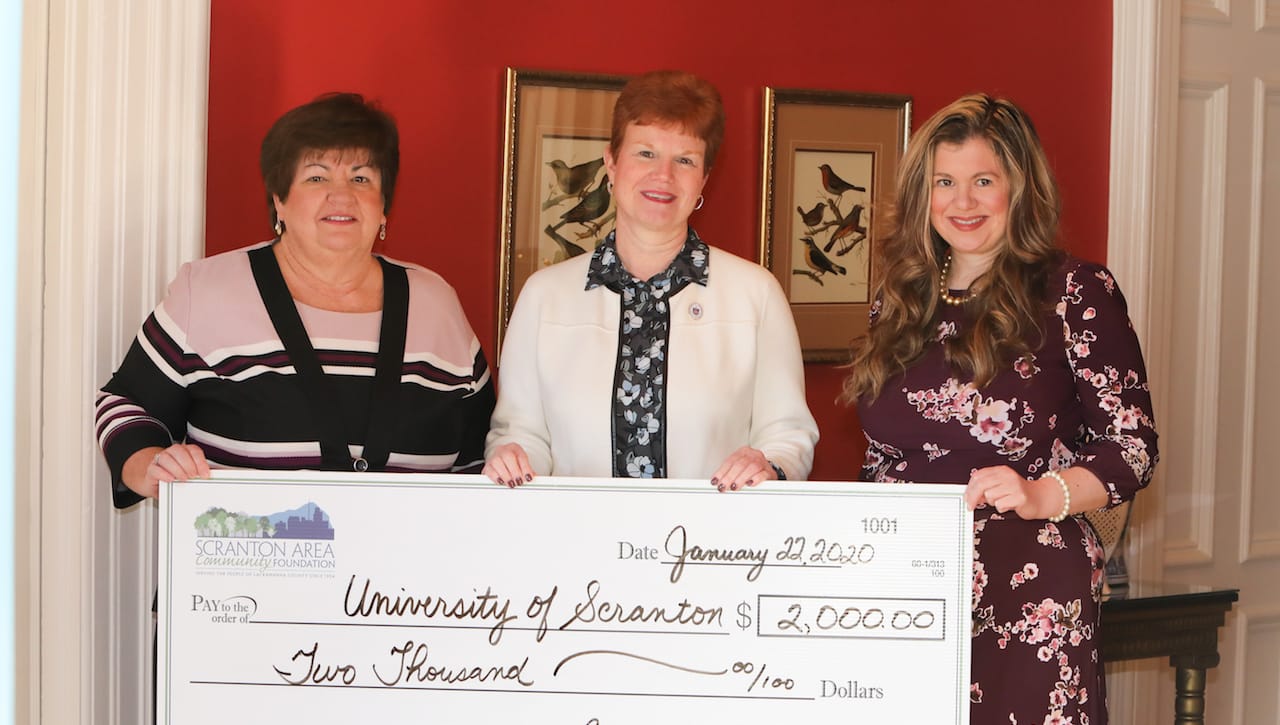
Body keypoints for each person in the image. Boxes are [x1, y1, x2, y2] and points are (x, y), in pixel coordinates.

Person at [843, 94, 1157, 724]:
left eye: (983, 181)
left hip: (1029, 594)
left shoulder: (1075, 293)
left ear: (1019, 188)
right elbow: (880, 459)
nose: (962, 202)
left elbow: (1132, 447)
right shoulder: (896, 303)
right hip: (906, 587)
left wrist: (1044, 494)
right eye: (945, 182)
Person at [95, 92, 494, 505]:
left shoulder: (437, 303)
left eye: (361, 178)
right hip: (247, 563)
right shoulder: (208, 291)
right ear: (279, 201)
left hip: (409, 567)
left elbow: (480, 456)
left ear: (383, 208)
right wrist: (151, 466)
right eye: (317, 177)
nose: (341, 196)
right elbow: (125, 403)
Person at [484, 70, 817, 491]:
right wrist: (512, 456)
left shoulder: (756, 294)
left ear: (704, 180)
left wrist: (768, 463)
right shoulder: (544, 296)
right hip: (576, 543)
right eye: (645, 153)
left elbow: (787, 435)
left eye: (685, 160)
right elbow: (520, 433)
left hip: (709, 545)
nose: (664, 175)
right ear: (611, 162)